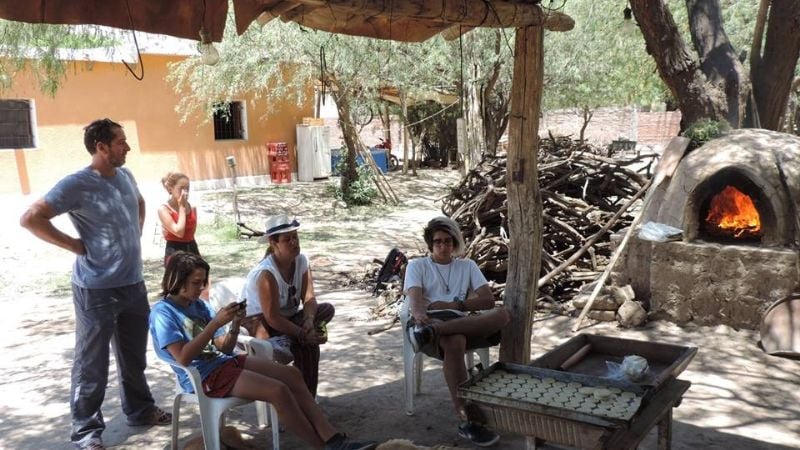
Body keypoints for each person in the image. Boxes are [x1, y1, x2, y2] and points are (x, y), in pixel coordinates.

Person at [19, 118, 171, 450]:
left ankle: (140, 410)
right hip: (96, 290)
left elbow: (140, 202)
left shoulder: (126, 176)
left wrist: (134, 231)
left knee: (134, 357)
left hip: (132, 284)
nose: (127, 147)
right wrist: (74, 245)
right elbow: (31, 218)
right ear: (101, 147)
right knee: (92, 364)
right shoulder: (77, 184)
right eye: (120, 142)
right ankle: (86, 431)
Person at [150, 251, 375, 450]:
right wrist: (215, 324)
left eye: (203, 282)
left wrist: (235, 324)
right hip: (203, 377)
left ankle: (332, 438)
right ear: (177, 281)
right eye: (196, 283)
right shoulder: (163, 313)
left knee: (292, 375)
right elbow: (183, 357)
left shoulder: (199, 305)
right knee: (278, 391)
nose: (201, 288)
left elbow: (224, 348)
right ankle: (321, 446)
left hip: (223, 363)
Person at [404, 216, 511, 447]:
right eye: (438, 242)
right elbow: (416, 302)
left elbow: (488, 300)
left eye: (448, 241)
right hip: (429, 321)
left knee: (502, 314)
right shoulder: (417, 266)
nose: (443, 246)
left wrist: (455, 305)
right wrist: (422, 317)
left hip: (457, 321)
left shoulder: (467, 266)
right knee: (455, 342)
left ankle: (436, 331)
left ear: (455, 242)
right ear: (430, 244)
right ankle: (465, 419)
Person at [240, 214, 334, 397]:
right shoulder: (267, 273)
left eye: (295, 237)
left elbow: (309, 298)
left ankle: (305, 396)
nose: (294, 242)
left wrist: (309, 321)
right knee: (306, 345)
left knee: (326, 309)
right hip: (262, 324)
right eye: (287, 239)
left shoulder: (302, 261)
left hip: (287, 320)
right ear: (273, 243)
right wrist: (301, 333)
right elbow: (271, 317)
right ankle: (306, 398)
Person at [157, 172, 199, 266]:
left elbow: (191, 234)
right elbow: (179, 232)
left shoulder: (192, 207)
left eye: (187, 188)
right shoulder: (164, 209)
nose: (185, 192)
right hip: (175, 251)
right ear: (170, 189)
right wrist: (182, 207)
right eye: (181, 188)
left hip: (192, 247)